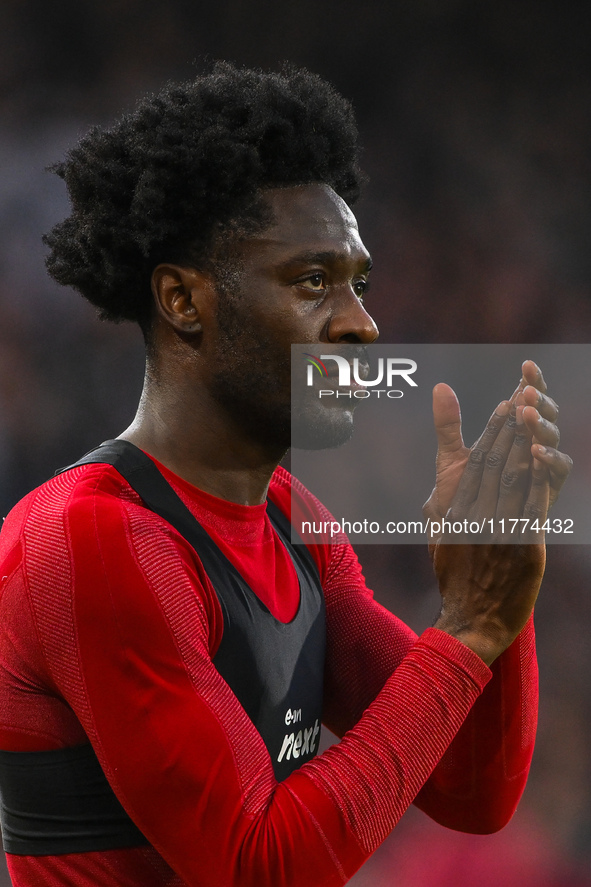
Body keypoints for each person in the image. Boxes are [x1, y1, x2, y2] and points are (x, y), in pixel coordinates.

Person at [0, 62, 572, 887]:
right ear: (183, 300)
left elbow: (471, 788)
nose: (362, 325)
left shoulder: (284, 518)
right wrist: (467, 628)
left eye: (359, 285)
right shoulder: (94, 538)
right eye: (313, 282)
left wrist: (500, 591)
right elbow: (258, 869)